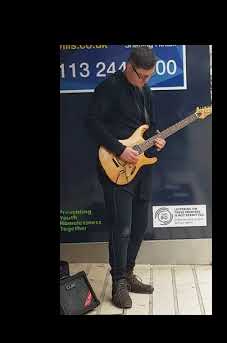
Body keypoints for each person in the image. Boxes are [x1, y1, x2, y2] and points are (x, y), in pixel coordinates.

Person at [85, 46, 166, 309]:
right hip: (116, 167)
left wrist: (157, 139)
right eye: (141, 76)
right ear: (129, 66)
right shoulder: (108, 87)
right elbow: (92, 123)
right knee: (121, 228)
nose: (145, 81)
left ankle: (128, 273)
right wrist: (120, 149)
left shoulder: (146, 90)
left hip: (142, 169)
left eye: (149, 76)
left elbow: (150, 125)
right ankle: (118, 280)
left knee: (140, 225)